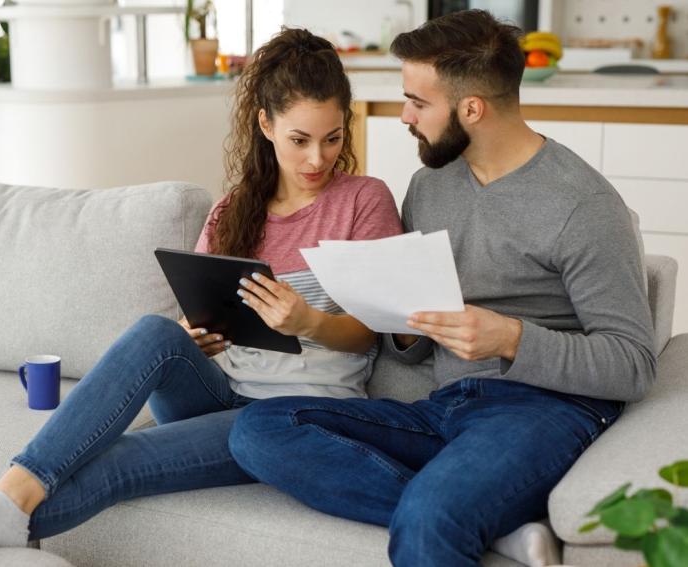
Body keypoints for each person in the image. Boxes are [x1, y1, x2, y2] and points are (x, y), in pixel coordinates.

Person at [0, 28, 404, 563]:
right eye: (299, 140)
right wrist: (200, 336)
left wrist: (307, 321)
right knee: (155, 333)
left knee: (116, 463)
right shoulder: (233, 209)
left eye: (333, 138)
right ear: (265, 124)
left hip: (292, 415)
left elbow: (369, 332)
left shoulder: (364, 201)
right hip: (221, 387)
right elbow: (200, 318)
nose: (317, 159)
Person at [228, 10, 656, 567]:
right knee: (259, 429)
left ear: (471, 109)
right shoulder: (430, 186)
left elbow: (635, 364)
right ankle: (489, 521)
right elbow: (414, 338)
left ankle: (450, 508)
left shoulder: (584, 205)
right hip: (446, 408)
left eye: (417, 101)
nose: (404, 115)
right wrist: (405, 327)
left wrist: (510, 338)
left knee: (432, 518)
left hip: (543, 411)